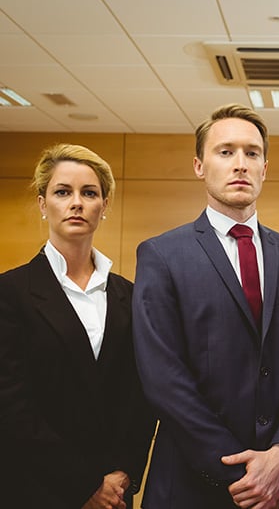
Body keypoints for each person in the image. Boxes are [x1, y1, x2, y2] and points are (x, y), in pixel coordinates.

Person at [132, 103, 279, 509]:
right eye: (225, 152)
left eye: (252, 153)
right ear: (199, 166)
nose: (240, 163)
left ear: (264, 168)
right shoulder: (161, 255)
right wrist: (245, 474)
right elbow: (163, 377)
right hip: (192, 485)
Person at [0, 143, 155, 509]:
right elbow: (11, 403)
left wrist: (125, 473)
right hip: (35, 489)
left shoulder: (131, 295)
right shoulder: (10, 292)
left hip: (115, 492)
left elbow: (142, 395)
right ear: (43, 204)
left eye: (89, 193)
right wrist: (85, 486)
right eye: (62, 192)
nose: (76, 203)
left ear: (104, 206)